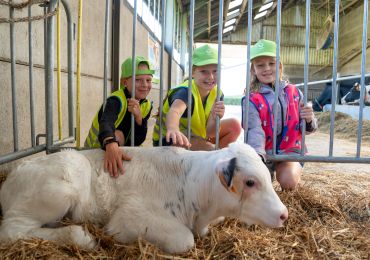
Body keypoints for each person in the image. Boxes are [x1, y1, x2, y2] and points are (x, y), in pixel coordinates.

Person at [241, 39, 317, 190]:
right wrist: (257, 159)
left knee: (288, 181)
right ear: (253, 70)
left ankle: (289, 175)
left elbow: (308, 129)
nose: (267, 68)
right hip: (263, 153)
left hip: (290, 150)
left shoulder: (294, 92)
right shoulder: (251, 98)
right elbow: (254, 130)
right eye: (260, 65)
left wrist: (309, 119)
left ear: (280, 66)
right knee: (257, 186)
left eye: (272, 63)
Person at [153, 44, 241, 150]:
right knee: (209, 149)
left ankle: (215, 156)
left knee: (235, 126)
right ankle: (215, 156)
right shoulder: (185, 91)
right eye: (204, 71)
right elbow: (175, 111)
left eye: (215, 71)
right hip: (169, 138)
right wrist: (173, 128)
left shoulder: (218, 94)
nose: (211, 77)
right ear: (193, 72)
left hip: (197, 136)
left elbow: (210, 133)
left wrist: (214, 117)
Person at [85, 56, 154, 177]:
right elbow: (106, 123)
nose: (144, 85)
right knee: (118, 135)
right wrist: (111, 143)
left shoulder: (146, 105)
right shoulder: (116, 100)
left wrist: (139, 118)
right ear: (124, 82)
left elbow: (139, 139)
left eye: (148, 80)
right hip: (95, 150)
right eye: (138, 80)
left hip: (121, 147)